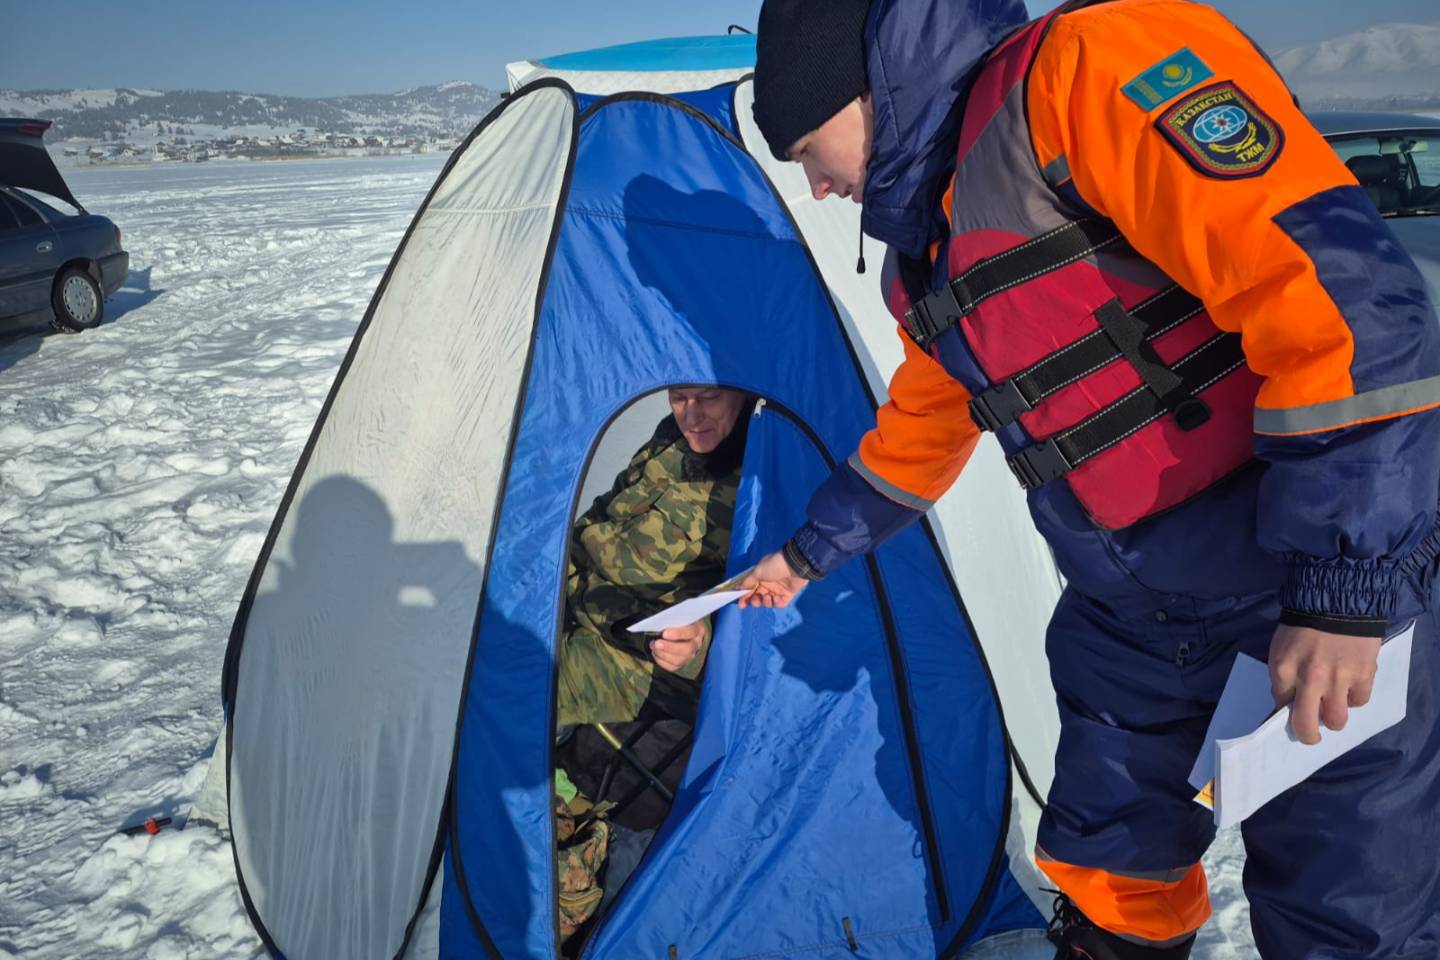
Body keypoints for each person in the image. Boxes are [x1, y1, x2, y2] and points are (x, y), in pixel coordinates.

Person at [741, 1, 1440, 958]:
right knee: (1110, 876)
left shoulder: (1086, 71)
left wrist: (1343, 595)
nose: (818, 187)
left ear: (865, 87)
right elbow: (921, 428)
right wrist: (806, 554)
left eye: (809, 151)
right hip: (1130, 617)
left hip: (1293, 582)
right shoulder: (928, 255)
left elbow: (1339, 301)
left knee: (1353, 907)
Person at [553, 386, 752, 947]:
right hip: (576, 606)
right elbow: (599, 522)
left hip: (636, 658)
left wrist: (700, 646)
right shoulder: (670, 443)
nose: (692, 415)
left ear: (739, 391)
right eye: (679, 398)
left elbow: (772, 610)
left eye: (708, 398)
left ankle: (568, 884)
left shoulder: (758, 471)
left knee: (508, 694)